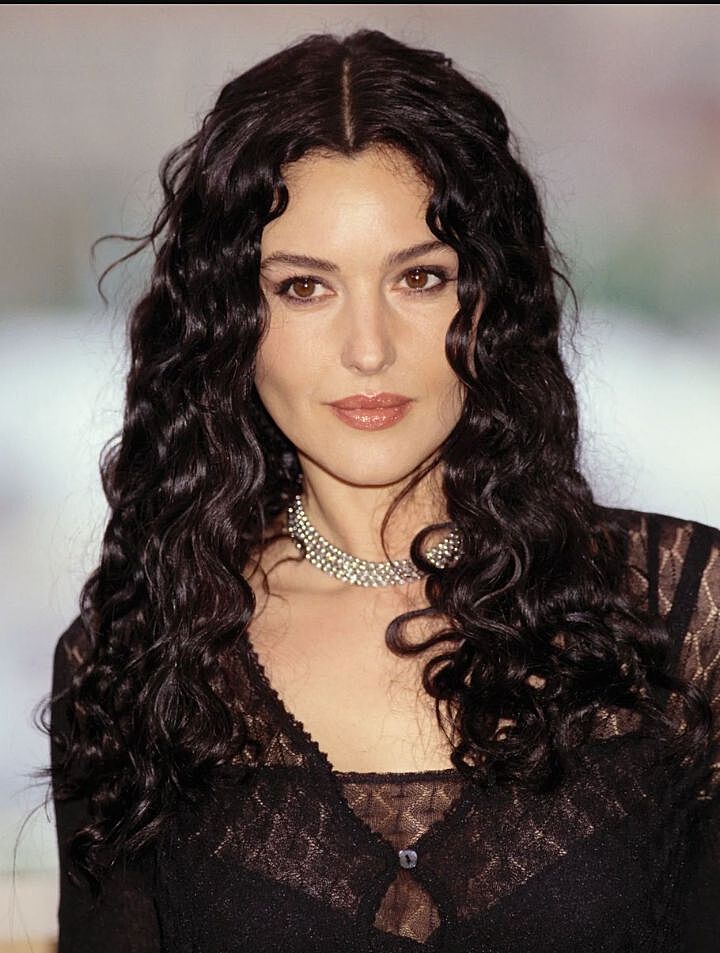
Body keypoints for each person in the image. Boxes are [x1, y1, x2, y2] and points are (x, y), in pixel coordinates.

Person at [41, 28, 719, 953]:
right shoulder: (136, 656)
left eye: (420, 277)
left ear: (491, 301)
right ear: (228, 319)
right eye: (304, 287)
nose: (369, 348)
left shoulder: (682, 610)